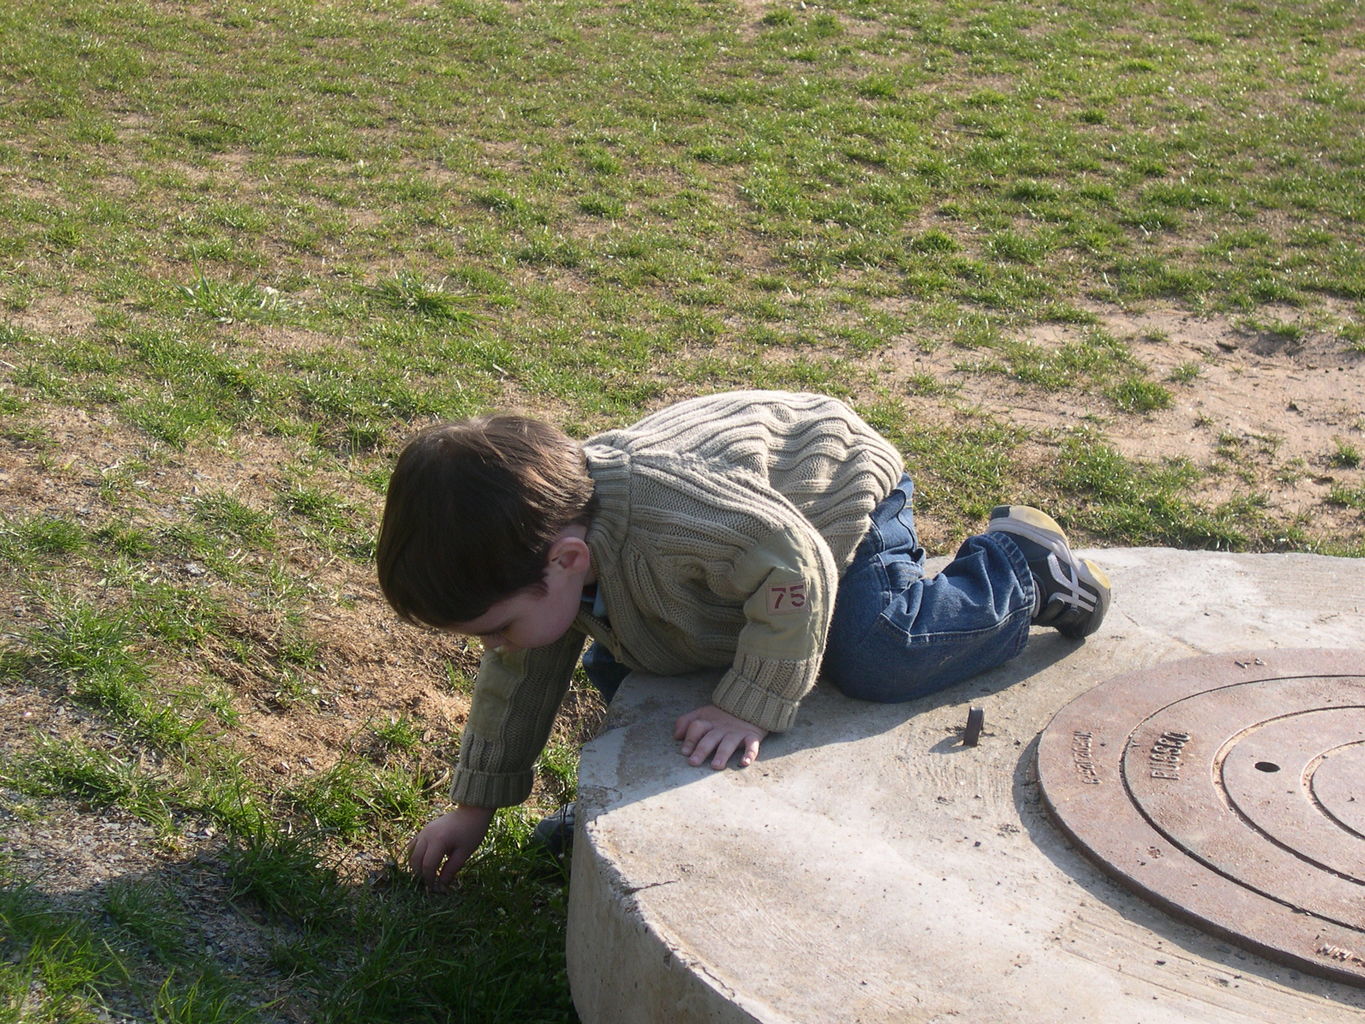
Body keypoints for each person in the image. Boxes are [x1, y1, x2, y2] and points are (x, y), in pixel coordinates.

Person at [376, 391, 1110, 890]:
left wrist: (752, 701)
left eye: (496, 628)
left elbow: (793, 562)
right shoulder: (542, 551)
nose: (497, 647)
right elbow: (521, 675)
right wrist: (475, 803)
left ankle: (1019, 564)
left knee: (875, 650)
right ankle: (623, 807)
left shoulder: (671, 516)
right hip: (738, 565)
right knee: (637, 667)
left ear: (566, 561)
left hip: (831, 503)